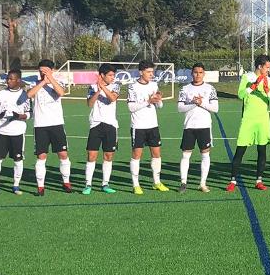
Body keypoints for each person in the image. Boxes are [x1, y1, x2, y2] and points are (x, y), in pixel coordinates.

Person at [228, 55, 270, 191]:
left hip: (263, 120)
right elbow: (240, 95)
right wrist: (253, 86)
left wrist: (267, 91)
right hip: (248, 119)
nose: (269, 70)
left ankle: (259, 180)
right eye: (267, 67)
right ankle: (233, 180)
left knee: (262, 150)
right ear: (260, 67)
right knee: (240, 149)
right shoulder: (247, 77)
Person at [26, 59, 71, 195]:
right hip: (40, 125)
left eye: (45, 71)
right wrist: (43, 82)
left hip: (56, 124)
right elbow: (29, 94)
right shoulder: (35, 82)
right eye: (41, 71)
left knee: (63, 154)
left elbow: (61, 92)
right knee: (41, 156)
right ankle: (40, 186)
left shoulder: (58, 80)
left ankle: (66, 182)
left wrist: (50, 79)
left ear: (52, 70)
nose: (42, 73)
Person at [177, 63, 219, 192]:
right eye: (195, 72)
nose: (198, 75)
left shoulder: (210, 88)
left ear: (204, 73)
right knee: (185, 155)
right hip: (189, 126)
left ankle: (202, 183)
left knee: (205, 154)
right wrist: (194, 104)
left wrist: (201, 103)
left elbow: (215, 108)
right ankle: (183, 182)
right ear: (191, 73)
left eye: (200, 72)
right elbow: (180, 108)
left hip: (204, 126)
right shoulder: (185, 89)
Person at [128, 60, 168, 194]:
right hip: (138, 126)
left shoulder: (154, 85)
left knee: (156, 154)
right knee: (136, 155)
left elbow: (160, 106)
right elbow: (131, 107)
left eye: (152, 72)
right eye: (149, 72)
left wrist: (158, 99)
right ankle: (136, 184)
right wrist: (148, 101)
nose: (152, 74)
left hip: (153, 126)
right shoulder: (132, 87)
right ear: (141, 72)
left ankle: (157, 182)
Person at [0, 68, 31, 195]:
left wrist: (18, 116)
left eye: (11, 79)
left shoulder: (25, 95)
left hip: (17, 133)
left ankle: (16, 185)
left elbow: (29, 113)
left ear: (18, 80)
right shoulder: (1, 94)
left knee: (18, 160)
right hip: (1, 132)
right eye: (7, 78)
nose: (8, 81)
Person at [82, 64, 120, 195]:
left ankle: (105, 183)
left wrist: (102, 87)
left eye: (113, 75)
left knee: (108, 155)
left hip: (111, 125)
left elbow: (112, 98)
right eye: (110, 75)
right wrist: (98, 90)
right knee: (92, 155)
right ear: (102, 75)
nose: (112, 77)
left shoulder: (115, 86)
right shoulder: (92, 87)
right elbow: (89, 104)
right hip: (96, 125)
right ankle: (88, 184)